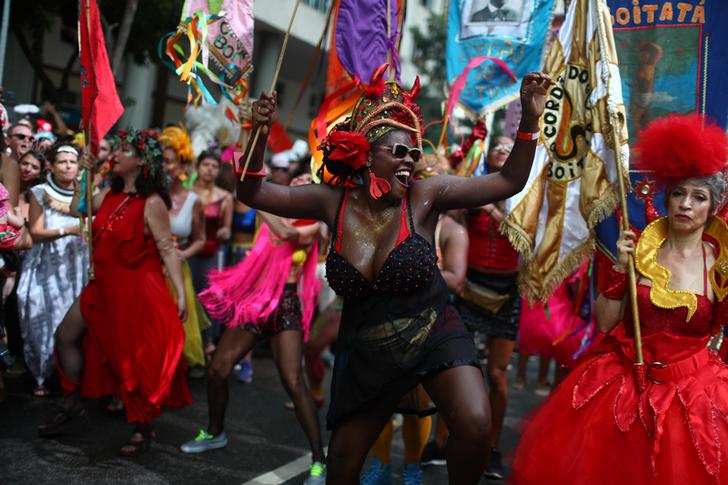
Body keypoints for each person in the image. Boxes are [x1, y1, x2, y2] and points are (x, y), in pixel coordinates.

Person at [234, 65, 550, 483]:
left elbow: (510, 179)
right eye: (398, 152)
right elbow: (251, 191)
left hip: (433, 329)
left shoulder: (426, 195)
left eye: (414, 153)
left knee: (474, 423)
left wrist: (529, 119)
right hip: (368, 347)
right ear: (366, 156)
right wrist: (258, 131)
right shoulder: (332, 202)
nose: (410, 160)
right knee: (344, 464)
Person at [512, 114, 728, 485]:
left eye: (698, 197)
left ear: (713, 206)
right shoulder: (639, 247)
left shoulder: (720, 263)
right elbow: (607, 321)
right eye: (678, 193)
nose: (686, 205)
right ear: (667, 196)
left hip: (694, 394)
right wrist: (619, 271)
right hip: (624, 381)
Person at [38, 129, 191, 457]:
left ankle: (143, 427)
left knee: (130, 365)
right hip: (101, 287)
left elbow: (167, 249)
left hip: (134, 293)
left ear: (141, 162)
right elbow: (80, 207)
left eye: (124, 150)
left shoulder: (152, 203)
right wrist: (86, 172)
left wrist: (179, 293)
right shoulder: (108, 193)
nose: (116, 154)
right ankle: (71, 403)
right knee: (65, 336)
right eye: (117, 149)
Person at [182, 173, 327, 485]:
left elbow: (287, 233)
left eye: (308, 181)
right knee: (218, 369)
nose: (301, 181)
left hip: (284, 304)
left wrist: (253, 200)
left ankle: (319, 461)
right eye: (299, 179)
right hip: (256, 302)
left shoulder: (314, 223)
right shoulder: (277, 211)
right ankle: (215, 432)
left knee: (292, 381)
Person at [361, 154, 470, 485]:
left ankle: (411, 465)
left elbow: (457, 278)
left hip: (427, 324)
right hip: (384, 319)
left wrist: (418, 266)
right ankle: (379, 464)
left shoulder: (452, 231)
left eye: (435, 178)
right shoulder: (390, 217)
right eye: (422, 176)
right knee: (379, 399)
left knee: (418, 404)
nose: (427, 184)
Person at [453, 134, 520, 480]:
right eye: (499, 147)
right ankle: (445, 442)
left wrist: (492, 207)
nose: (504, 151)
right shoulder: (473, 187)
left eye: (511, 148)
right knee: (455, 368)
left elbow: (524, 234)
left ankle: (491, 448)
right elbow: (451, 220)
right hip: (469, 286)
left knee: (497, 375)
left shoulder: (527, 195)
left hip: (507, 291)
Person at [17, 145, 88, 397]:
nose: (68, 165)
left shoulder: (87, 194)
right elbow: (35, 232)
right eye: (62, 161)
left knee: (72, 322)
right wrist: (66, 231)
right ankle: (41, 375)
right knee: (43, 315)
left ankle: (70, 379)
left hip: (76, 266)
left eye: (72, 161)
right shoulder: (39, 192)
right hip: (45, 266)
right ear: (51, 165)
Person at [160, 127, 210, 376]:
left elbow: (201, 239)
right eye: (161, 161)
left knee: (174, 328)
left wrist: (183, 254)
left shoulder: (194, 201)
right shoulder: (152, 196)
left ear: (182, 165)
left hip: (177, 272)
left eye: (168, 162)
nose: (164, 167)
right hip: (148, 266)